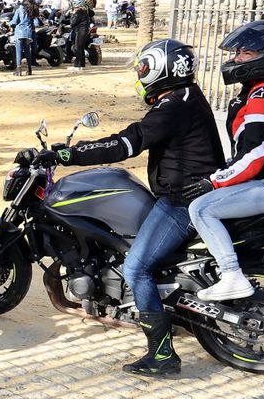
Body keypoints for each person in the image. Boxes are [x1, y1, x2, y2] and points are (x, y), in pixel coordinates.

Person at [51, 39, 224, 377]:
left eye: (145, 68)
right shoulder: (186, 98)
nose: (141, 75)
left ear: (165, 69)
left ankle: (161, 355)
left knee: (136, 269)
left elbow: (128, 142)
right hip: (185, 195)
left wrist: (70, 154)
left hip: (181, 202)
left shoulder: (175, 105)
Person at [186, 21, 264, 302]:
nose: (236, 59)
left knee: (201, 209)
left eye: (245, 54)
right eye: (238, 52)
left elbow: (254, 156)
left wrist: (214, 181)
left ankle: (231, 275)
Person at [11, 0, 38, 76]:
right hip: (28, 33)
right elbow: (36, 23)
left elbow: (14, 21)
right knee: (27, 52)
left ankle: (19, 70)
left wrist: (9, 23)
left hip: (19, 32)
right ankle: (29, 70)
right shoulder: (31, 10)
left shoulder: (19, 10)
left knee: (18, 52)